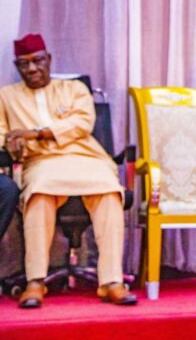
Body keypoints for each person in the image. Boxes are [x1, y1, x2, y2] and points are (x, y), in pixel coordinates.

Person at [0, 34, 136, 308]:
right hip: (41, 164)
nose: (33, 69)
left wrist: (33, 133)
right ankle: (35, 281)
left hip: (87, 158)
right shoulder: (6, 97)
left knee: (110, 190)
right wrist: (10, 142)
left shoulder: (74, 89)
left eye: (38, 60)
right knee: (39, 192)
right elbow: (2, 133)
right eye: (24, 64)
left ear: (48, 59)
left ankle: (111, 281)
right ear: (17, 67)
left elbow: (82, 123)